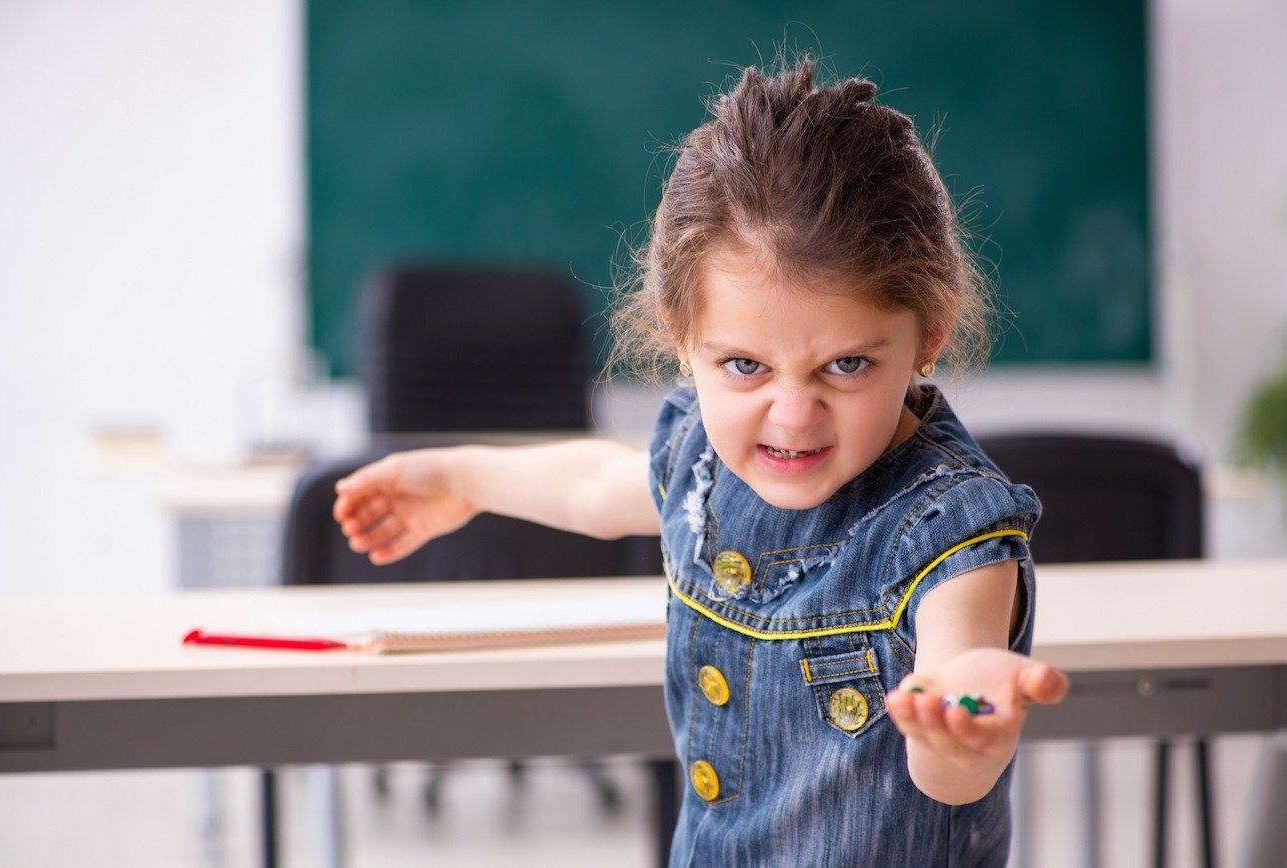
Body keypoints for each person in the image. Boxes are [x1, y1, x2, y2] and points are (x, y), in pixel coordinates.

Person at [333, 57, 1069, 867]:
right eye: (745, 367)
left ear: (928, 333)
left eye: (847, 366)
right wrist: (461, 478)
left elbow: (955, 697)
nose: (792, 416)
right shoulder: (700, 455)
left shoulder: (949, 528)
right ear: (682, 340)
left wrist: (961, 738)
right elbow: (596, 486)